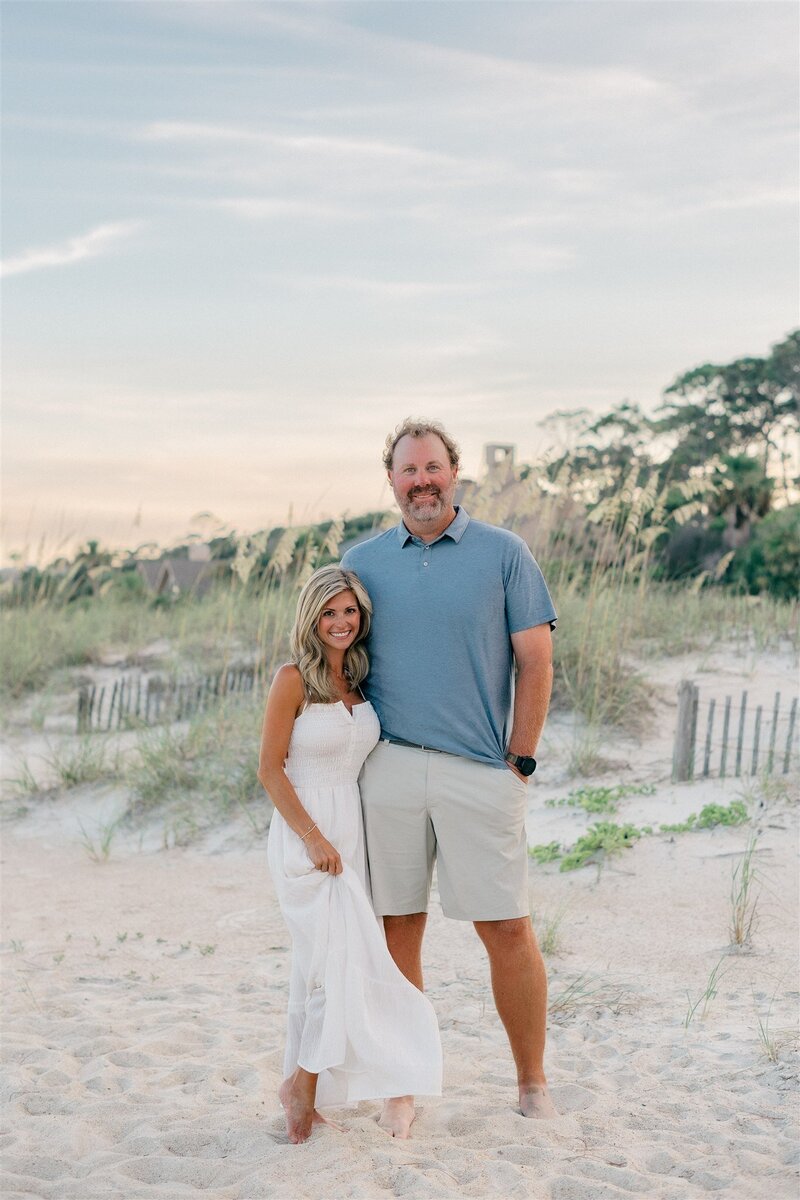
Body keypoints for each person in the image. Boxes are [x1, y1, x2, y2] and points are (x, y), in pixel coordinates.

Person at [341, 418, 557, 1136]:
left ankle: (531, 1083)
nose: (422, 481)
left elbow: (536, 661)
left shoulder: (504, 554)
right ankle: (401, 1085)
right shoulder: (362, 560)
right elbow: (332, 656)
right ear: (393, 480)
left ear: (454, 472)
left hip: (479, 770)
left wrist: (519, 761)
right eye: (409, 470)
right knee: (397, 928)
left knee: (507, 927)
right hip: (390, 769)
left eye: (433, 467)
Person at [258, 565, 442, 1144]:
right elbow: (269, 769)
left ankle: (299, 1081)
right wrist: (313, 838)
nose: (340, 622)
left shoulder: (360, 685)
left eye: (350, 611)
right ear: (311, 617)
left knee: (332, 965)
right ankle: (303, 1091)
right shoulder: (293, 679)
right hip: (307, 833)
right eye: (330, 612)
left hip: (354, 833)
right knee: (331, 963)